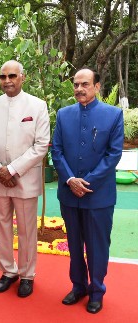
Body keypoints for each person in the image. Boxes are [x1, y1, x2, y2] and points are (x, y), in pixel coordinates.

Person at [51, 68, 124, 314]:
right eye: (76, 84)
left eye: (85, 84)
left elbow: (113, 155)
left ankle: (96, 291)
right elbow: (57, 151)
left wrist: (86, 182)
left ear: (97, 86)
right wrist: (71, 179)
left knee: (97, 246)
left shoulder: (113, 115)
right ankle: (78, 286)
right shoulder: (63, 115)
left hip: (98, 195)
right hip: (69, 194)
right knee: (74, 244)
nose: (79, 89)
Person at [0, 60, 50, 297]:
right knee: (3, 227)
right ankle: (8, 271)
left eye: (12, 76)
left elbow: (41, 146)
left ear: (22, 77)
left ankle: (27, 275)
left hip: (25, 180)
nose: (7, 80)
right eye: (2, 76)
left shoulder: (37, 106)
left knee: (27, 230)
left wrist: (13, 170)